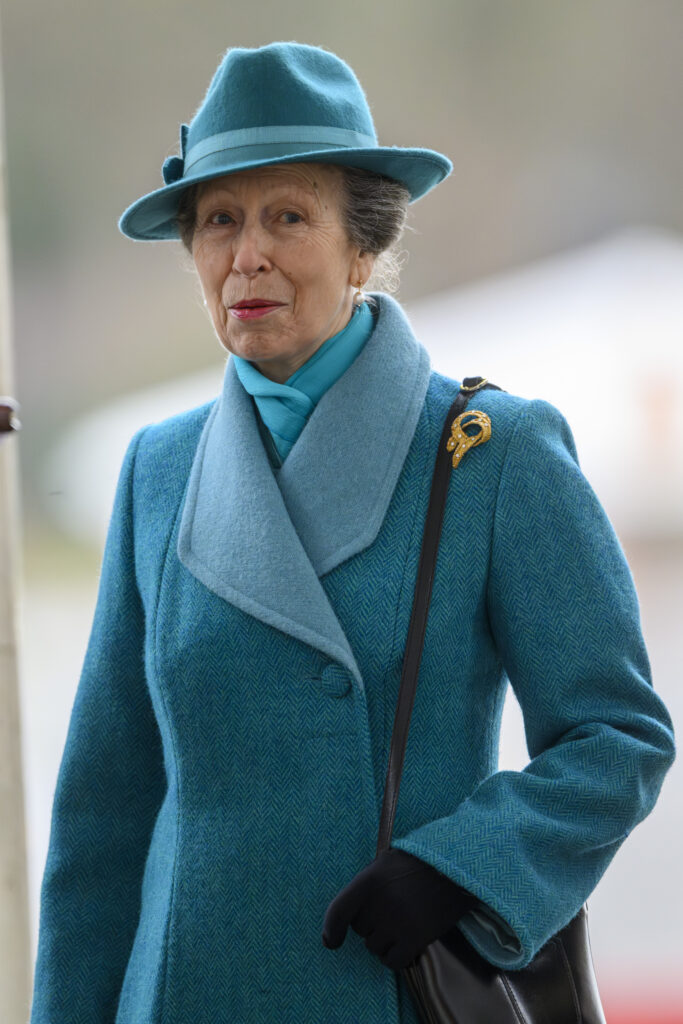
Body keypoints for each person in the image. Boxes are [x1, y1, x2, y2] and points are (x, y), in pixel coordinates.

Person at [29, 41, 675, 1024]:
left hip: (384, 985)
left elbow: (615, 736)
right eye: (217, 221)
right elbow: (102, 820)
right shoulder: (156, 467)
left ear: (363, 246)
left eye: (287, 216)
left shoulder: (490, 452)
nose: (246, 254)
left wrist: (460, 872)